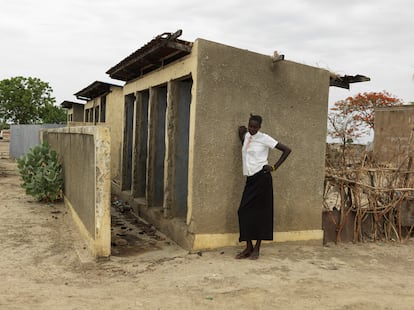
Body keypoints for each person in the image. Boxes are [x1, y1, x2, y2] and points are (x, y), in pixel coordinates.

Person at [236, 114, 291, 260]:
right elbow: (245, 143)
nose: (252, 129)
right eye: (250, 126)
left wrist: (274, 167)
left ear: (260, 127)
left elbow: (287, 150)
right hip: (250, 180)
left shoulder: (264, 138)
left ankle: (257, 249)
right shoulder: (247, 136)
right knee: (243, 211)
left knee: (261, 214)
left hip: (262, 178)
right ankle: (248, 247)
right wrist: (241, 133)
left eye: (255, 127)